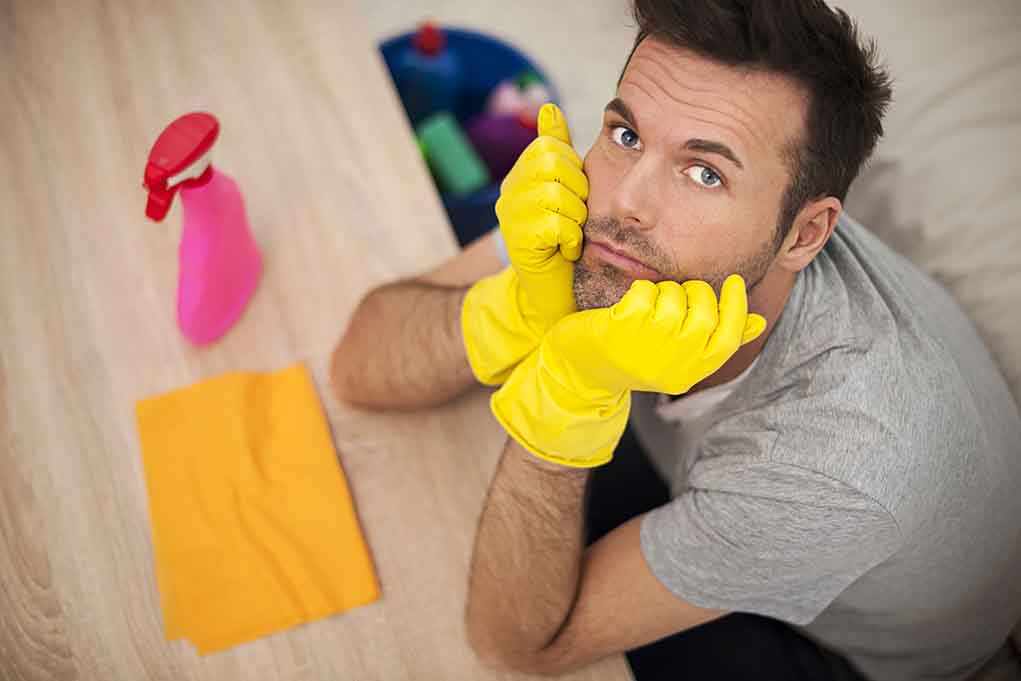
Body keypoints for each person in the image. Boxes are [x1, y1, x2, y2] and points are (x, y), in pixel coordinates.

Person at [330, 1, 1021, 679]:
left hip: (832, 644)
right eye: (626, 134)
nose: (625, 198)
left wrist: (573, 395)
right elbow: (359, 366)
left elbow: (513, 645)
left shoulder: (834, 466)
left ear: (804, 233)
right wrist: (522, 305)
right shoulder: (629, 220)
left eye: (704, 172)